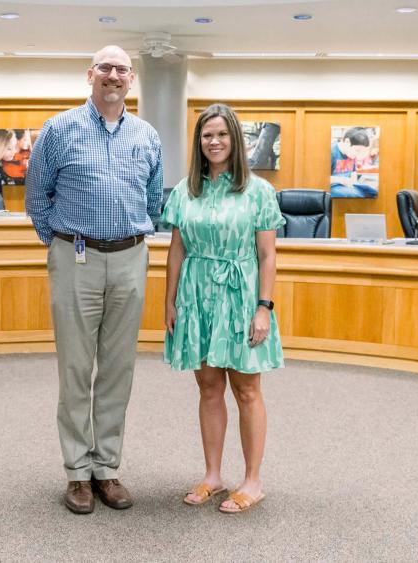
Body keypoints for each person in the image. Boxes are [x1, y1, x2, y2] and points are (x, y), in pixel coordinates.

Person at [25, 45, 163, 515]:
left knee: (119, 370)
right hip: (75, 258)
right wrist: (62, 244)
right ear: (90, 75)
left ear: (131, 80)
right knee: (76, 369)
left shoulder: (147, 136)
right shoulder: (59, 129)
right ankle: (77, 473)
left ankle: (107, 468)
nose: (113, 75)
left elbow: (152, 201)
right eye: (105, 67)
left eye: (121, 69)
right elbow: (36, 197)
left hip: (129, 258)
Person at [162, 103, 284, 514]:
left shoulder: (259, 191)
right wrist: (171, 301)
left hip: (241, 297)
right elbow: (176, 250)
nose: (214, 142)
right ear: (199, 142)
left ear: (236, 139)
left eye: (222, 134)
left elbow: (267, 256)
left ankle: (252, 480)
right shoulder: (185, 190)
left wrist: (263, 308)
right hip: (197, 297)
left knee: (246, 389)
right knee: (209, 388)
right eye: (206, 135)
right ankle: (213, 475)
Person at [330, 127, 377, 198]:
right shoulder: (331, 152)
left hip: (348, 186)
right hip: (333, 187)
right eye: (357, 150)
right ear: (347, 142)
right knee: (357, 195)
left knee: (374, 192)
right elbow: (321, 179)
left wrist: (356, 183)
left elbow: (353, 173)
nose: (358, 155)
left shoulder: (351, 153)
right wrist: (343, 180)